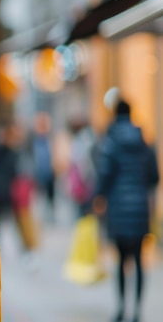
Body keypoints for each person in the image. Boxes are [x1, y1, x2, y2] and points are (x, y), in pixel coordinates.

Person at [94, 99, 159, 322]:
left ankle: (122, 308)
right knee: (140, 260)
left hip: (118, 209)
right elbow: (155, 177)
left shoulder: (110, 142)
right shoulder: (144, 141)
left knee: (121, 260)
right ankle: (138, 311)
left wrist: (98, 198)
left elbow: (104, 175)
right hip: (140, 208)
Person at [31, 111, 56, 222]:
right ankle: (40, 219)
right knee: (39, 198)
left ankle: (50, 216)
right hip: (37, 174)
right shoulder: (32, 140)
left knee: (50, 197)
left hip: (49, 173)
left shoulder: (50, 139)